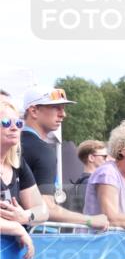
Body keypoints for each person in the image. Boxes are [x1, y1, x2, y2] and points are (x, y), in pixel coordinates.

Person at [20, 86, 109, 230]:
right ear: (34, 111)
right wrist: (90, 220)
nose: (63, 114)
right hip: (26, 239)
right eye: (56, 108)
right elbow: (45, 207)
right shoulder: (42, 151)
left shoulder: (11, 145)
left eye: (63, 108)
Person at [0, 98, 50, 230]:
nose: (14, 127)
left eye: (18, 123)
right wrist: (16, 229)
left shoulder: (17, 164)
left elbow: (43, 210)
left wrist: (26, 216)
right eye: (6, 123)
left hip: (12, 248)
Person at [65, 139, 107, 212]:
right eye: (104, 157)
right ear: (91, 158)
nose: (107, 160)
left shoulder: (79, 183)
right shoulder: (92, 184)